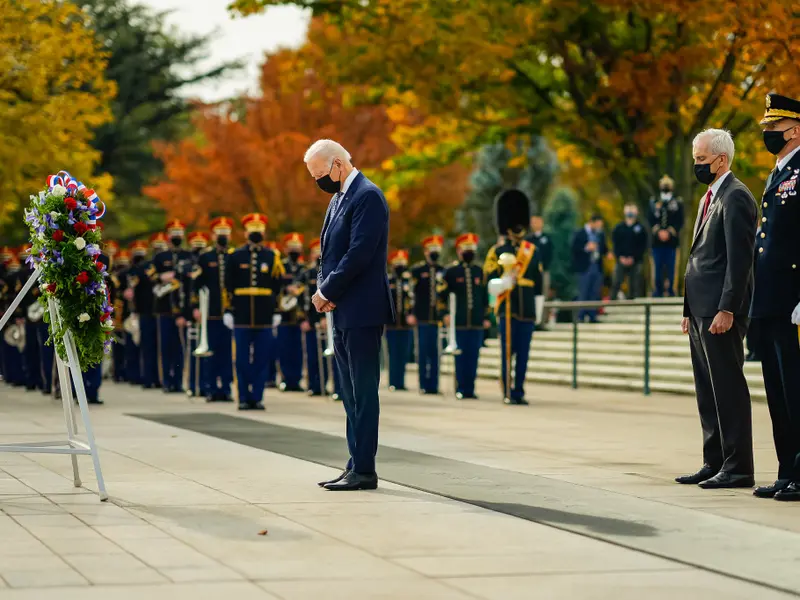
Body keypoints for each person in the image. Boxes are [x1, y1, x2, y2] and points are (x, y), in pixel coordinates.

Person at [305, 139, 394, 491]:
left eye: (320, 174)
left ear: (338, 164)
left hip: (362, 309)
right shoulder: (338, 198)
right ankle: (355, 461)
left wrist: (327, 291)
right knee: (348, 391)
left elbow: (359, 253)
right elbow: (329, 253)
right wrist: (325, 288)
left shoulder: (367, 196)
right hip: (343, 310)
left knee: (363, 391)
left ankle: (365, 469)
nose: (318, 182)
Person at [677, 128, 756, 490]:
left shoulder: (736, 197)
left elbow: (738, 262)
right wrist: (687, 308)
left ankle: (738, 465)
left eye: (700, 159)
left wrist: (728, 308)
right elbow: (698, 257)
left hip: (720, 311)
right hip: (700, 309)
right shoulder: (709, 197)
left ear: (721, 160)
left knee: (727, 387)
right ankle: (715, 460)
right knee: (707, 389)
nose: (696, 165)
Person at [751, 93, 800, 501]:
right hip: (770, 300)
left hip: (792, 300)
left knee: (796, 387)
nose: (767, 134)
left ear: (795, 130)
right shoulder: (778, 173)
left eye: (774, 128)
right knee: (777, 390)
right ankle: (787, 469)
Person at [484, 190, 542, 405]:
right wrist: (504, 283)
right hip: (506, 307)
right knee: (507, 351)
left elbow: (537, 283)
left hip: (526, 308)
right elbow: (489, 282)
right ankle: (507, 389)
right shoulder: (497, 250)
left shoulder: (532, 251)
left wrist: (539, 309)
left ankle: (519, 389)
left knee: (524, 354)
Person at [225, 213, 283, 410]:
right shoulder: (235, 256)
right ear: (246, 233)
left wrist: (277, 310)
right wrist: (228, 310)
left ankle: (257, 397)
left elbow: (278, 287)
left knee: (262, 358)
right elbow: (228, 285)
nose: (256, 233)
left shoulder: (272, 256)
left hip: (265, 315)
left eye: (259, 230)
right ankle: (243, 396)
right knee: (241, 359)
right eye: (253, 230)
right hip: (241, 315)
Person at [440, 233, 489, 400]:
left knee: (473, 356)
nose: (469, 252)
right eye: (466, 249)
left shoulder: (479, 271)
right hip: (458, 322)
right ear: (459, 251)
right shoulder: (451, 271)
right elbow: (441, 295)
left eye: (472, 249)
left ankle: (470, 388)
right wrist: (444, 313)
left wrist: (486, 316)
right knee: (460, 357)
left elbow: (484, 297)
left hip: (475, 322)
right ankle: (461, 388)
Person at [193, 217, 235, 402]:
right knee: (209, 353)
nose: (223, 236)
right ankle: (209, 388)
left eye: (225, 233)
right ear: (213, 235)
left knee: (226, 353)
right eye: (220, 233)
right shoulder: (205, 257)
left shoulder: (233, 256)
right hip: (209, 313)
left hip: (228, 314)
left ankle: (225, 388)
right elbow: (196, 285)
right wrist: (195, 307)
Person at [150, 220, 192, 394]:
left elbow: (191, 281)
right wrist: (162, 277)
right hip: (164, 308)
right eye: (173, 233)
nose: (176, 236)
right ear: (169, 236)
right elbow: (151, 277)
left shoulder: (188, 256)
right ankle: (167, 380)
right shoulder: (161, 257)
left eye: (179, 233)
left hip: (181, 309)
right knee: (166, 347)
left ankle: (178, 381)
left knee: (179, 347)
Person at [408, 235, 445, 395]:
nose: (434, 252)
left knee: (435, 353)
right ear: (425, 252)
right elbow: (410, 293)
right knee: (422, 352)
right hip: (421, 317)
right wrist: (411, 312)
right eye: (432, 249)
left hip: (437, 319)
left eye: (437, 249)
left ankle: (434, 385)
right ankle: (423, 383)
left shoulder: (442, 271)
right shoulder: (417, 271)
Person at [297, 238, 331, 396]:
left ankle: (326, 384)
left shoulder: (330, 272)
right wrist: (303, 319)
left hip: (327, 320)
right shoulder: (306, 274)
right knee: (311, 357)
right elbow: (300, 299)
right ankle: (313, 385)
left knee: (327, 357)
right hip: (310, 321)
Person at [277, 232, 305, 392]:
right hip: (284, 315)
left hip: (299, 316)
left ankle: (297, 379)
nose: (295, 250)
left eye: (297, 247)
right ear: (286, 249)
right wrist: (286, 289)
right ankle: (286, 379)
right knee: (284, 349)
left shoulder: (303, 268)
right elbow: (276, 286)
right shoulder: (281, 266)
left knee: (298, 350)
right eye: (292, 247)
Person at [649, 175, 685, 297]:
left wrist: (669, 231)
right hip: (657, 242)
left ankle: (671, 290)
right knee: (657, 268)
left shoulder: (678, 202)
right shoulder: (654, 202)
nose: (665, 187)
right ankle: (657, 291)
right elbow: (650, 219)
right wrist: (659, 231)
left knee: (672, 268)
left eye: (667, 185)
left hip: (672, 242)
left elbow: (680, 220)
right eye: (663, 184)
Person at [185, 231, 210, 397]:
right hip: (194, 309)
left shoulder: (207, 262)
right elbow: (189, 289)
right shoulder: (186, 264)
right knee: (194, 349)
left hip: (206, 308)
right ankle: (193, 385)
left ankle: (205, 384)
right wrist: (193, 308)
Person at [385, 249, 413, 392]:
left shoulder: (409, 281)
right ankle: (393, 381)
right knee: (393, 354)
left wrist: (412, 314)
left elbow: (412, 300)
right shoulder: (388, 281)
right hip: (392, 324)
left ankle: (401, 382)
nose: (400, 265)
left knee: (403, 354)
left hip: (405, 324)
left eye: (402, 262)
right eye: (398, 262)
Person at [571, 214, 607, 322]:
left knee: (594, 292)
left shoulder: (600, 235)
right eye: (598, 225)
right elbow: (574, 249)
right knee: (583, 292)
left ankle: (592, 315)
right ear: (592, 222)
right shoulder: (580, 233)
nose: (599, 227)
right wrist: (586, 248)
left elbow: (604, 248)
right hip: (584, 267)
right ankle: (580, 316)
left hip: (596, 266)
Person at [610, 203, 649, 300]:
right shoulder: (618, 228)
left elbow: (643, 246)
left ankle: (635, 306)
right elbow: (615, 245)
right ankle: (612, 304)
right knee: (616, 282)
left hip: (635, 261)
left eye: (632, 210)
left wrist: (634, 258)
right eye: (628, 210)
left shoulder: (641, 229)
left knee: (635, 284)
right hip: (621, 260)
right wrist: (620, 257)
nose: (630, 213)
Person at [525, 215, 553, 326]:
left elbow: (550, 254)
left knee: (544, 295)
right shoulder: (528, 240)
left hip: (544, 271)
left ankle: (543, 322)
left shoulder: (547, 238)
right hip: (531, 272)